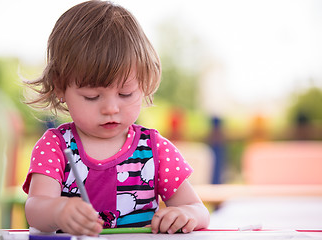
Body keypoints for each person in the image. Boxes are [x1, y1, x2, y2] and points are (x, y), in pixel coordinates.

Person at [22, 0, 210, 237]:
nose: (111, 108)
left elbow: (198, 209)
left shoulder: (155, 150)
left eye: (125, 94)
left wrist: (186, 215)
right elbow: (35, 208)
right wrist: (58, 210)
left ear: (143, 85)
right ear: (60, 87)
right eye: (92, 96)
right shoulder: (55, 147)